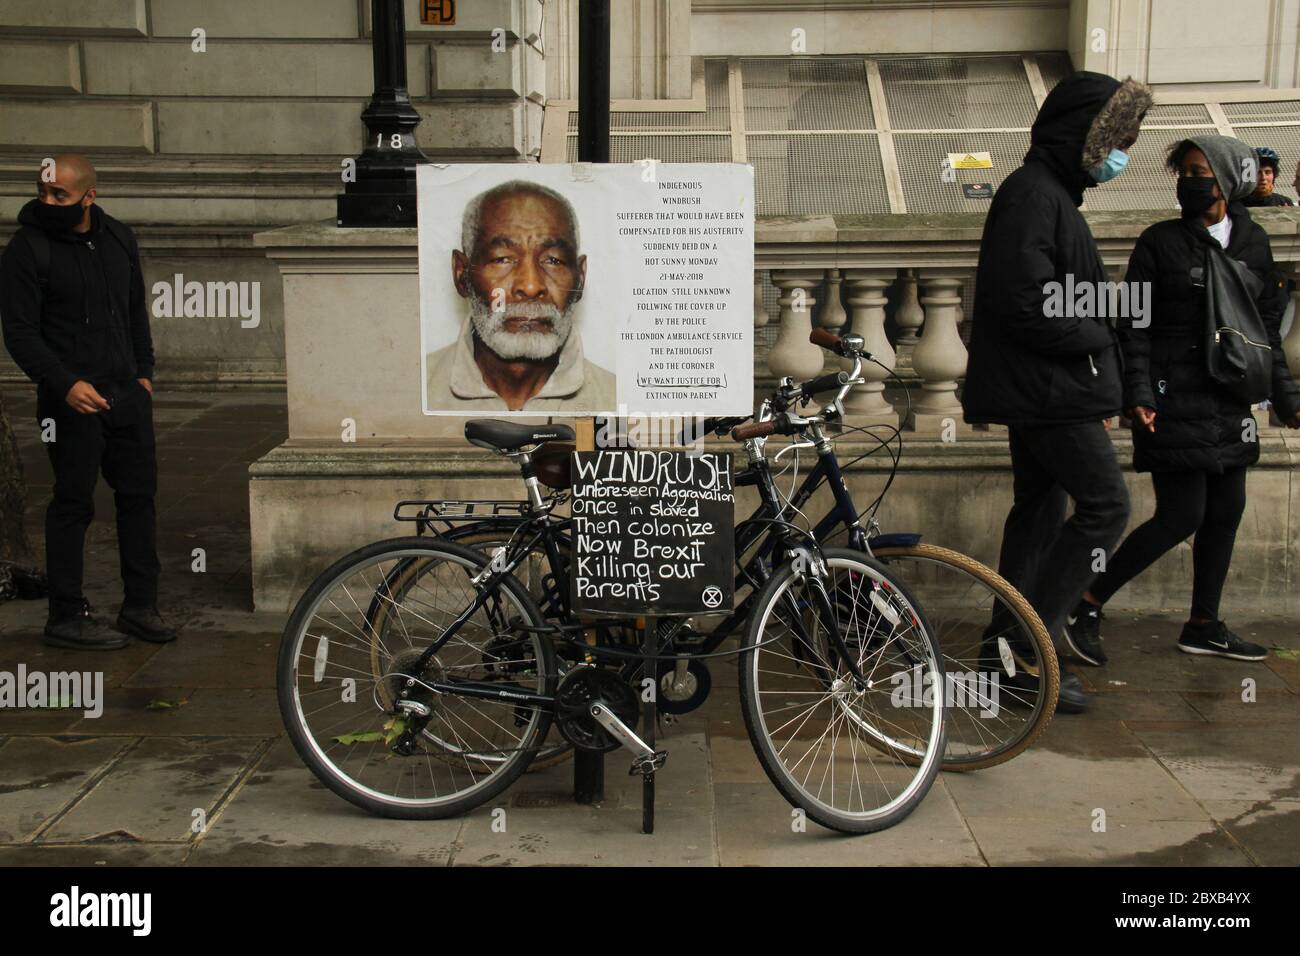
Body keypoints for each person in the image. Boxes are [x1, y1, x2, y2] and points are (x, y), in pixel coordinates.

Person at [962, 71, 1153, 713]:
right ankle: (1026, 645)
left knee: (1040, 514)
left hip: (1050, 391)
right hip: (1048, 396)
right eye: (1121, 135)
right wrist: (1105, 326)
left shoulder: (1049, 196)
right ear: (1086, 133)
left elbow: (1055, 296)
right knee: (1106, 509)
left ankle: (1003, 653)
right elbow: (1028, 303)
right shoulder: (1034, 197)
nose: (1127, 149)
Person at [1069, 136, 1300, 662]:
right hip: (1173, 398)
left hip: (1230, 399)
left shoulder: (1253, 243)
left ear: (1230, 180)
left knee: (1226, 511)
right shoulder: (1160, 243)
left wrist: (1287, 398)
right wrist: (1139, 392)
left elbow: (1264, 332)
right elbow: (1135, 324)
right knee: (1181, 515)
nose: (1190, 182)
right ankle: (1085, 600)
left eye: (1202, 172)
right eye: (1185, 172)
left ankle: (1203, 623)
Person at [0, 154, 176, 650]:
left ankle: (141, 606)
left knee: (138, 500)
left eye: (61, 195)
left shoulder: (118, 237)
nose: (49, 202)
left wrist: (144, 374)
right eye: (44, 193)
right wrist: (62, 384)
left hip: (126, 395)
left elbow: (134, 310)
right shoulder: (25, 251)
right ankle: (65, 616)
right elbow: (19, 332)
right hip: (70, 402)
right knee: (73, 505)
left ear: (89, 196)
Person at [425, 180, 615, 413]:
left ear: (580, 278)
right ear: (462, 275)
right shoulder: (418, 390)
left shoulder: (616, 400)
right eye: (502, 259)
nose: (531, 286)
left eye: (553, 260)